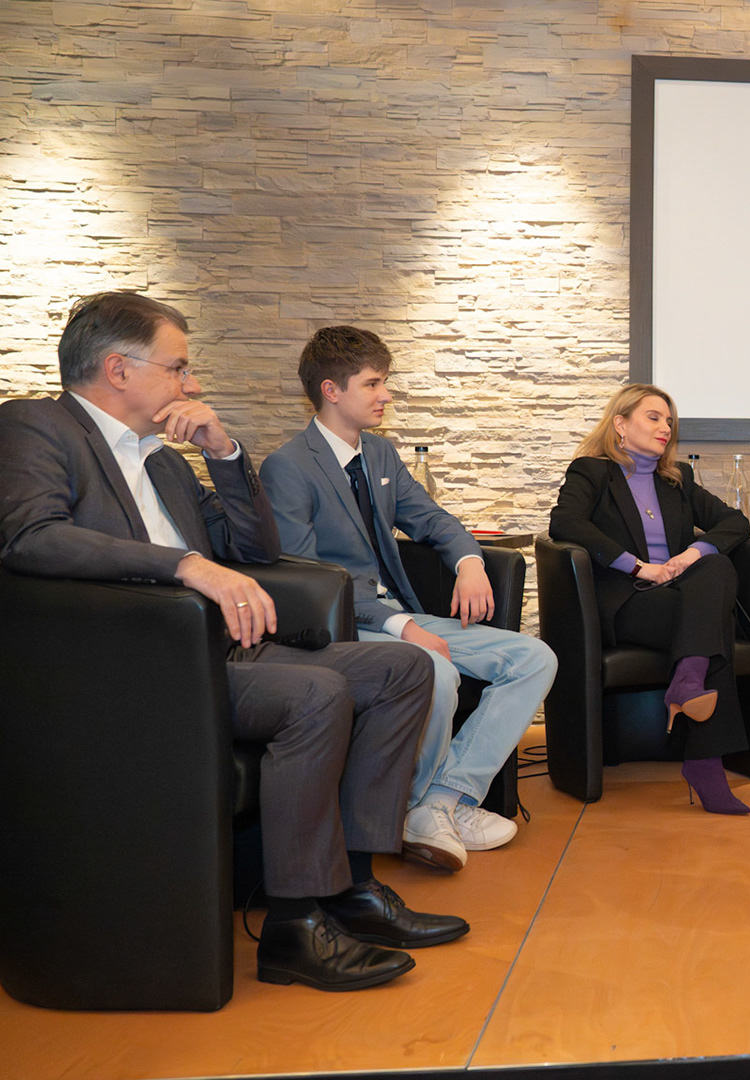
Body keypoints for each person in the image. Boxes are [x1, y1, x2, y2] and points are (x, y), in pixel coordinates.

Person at [0, 292, 465, 992]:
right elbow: (33, 538)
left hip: (223, 651)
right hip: (137, 665)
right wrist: (182, 565)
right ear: (120, 370)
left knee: (401, 669)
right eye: (179, 367)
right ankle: (294, 925)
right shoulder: (36, 425)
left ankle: (355, 891)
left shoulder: (161, 460)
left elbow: (252, 547)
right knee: (317, 690)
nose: (190, 385)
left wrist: (223, 453)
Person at [261, 326, 557, 871]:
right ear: (332, 390)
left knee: (533, 657)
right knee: (435, 673)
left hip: (399, 612)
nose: (386, 395)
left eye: (385, 382)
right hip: (345, 626)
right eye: (373, 383)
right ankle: (410, 807)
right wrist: (403, 630)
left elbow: (432, 520)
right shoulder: (288, 467)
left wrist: (469, 563)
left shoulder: (379, 454)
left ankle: (443, 801)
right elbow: (306, 580)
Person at [548, 384, 750, 814]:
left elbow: (735, 522)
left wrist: (689, 554)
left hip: (680, 598)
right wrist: (640, 567)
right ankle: (704, 763)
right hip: (628, 601)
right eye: (654, 417)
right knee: (711, 624)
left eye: (669, 420)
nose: (666, 427)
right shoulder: (592, 471)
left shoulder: (676, 479)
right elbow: (565, 524)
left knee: (715, 565)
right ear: (620, 424)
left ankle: (687, 681)